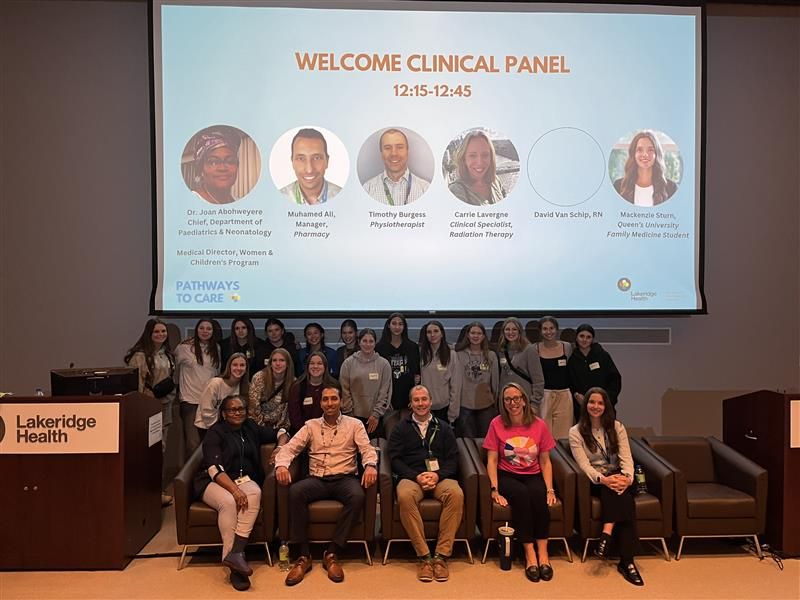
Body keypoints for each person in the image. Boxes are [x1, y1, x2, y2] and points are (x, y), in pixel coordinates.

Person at [275, 383, 378, 586]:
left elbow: (367, 449)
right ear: (320, 403)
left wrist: (371, 465)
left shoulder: (354, 424)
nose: (330, 403)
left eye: (334, 399)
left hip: (344, 478)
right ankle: (303, 556)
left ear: (341, 401)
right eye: (325, 399)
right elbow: (290, 448)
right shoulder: (310, 425)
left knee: (357, 495)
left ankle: (332, 553)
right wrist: (281, 466)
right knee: (295, 492)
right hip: (317, 479)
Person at [194, 394, 288, 591]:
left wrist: (280, 446)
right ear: (224, 413)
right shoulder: (215, 433)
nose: (237, 413)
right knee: (228, 502)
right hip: (213, 481)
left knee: (254, 493)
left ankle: (236, 553)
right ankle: (235, 568)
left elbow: (281, 431)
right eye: (232, 409)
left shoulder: (251, 427)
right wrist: (235, 490)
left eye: (241, 409)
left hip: (243, 479)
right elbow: (214, 469)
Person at [568, 387, 644, 586]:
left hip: (620, 476)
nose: (596, 406)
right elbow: (584, 465)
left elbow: (626, 458)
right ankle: (627, 562)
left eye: (600, 403)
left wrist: (627, 478)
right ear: (586, 406)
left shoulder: (617, 427)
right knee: (616, 493)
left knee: (623, 494)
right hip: (596, 481)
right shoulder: (575, 432)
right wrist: (604, 479)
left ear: (606, 406)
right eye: (592, 402)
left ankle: (607, 534)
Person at [387, 385, 463, 582]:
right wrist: (416, 476)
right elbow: (395, 460)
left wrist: (437, 475)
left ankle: (440, 556)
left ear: (430, 402)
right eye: (416, 400)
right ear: (410, 404)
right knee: (404, 495)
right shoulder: (400, 429)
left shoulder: (444, 427)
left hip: (440, 477)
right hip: (412, 478)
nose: (420, 404)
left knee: (456, 494)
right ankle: (424, 557)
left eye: (424, 399)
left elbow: (453, 459)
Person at [483, 383, 558, 583]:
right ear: (503, 403)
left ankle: (544, 554)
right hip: (507, 475)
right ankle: (529, 554)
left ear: (524, 400)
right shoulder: (496, 424)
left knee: (538, 497)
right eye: (508, 399)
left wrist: (550, 489)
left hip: (533, 474)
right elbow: (491, 460)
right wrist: (494, 489)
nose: (512, 403)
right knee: (522, 497)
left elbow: (545, 461)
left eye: (516, 398)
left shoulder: (539, 425)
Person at [125, 318, 176, 506]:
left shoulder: (168, 355)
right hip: (147, 408)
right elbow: (136, 385)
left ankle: (158, 491)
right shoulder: (140, 356)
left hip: (166, 407)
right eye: (157, 332)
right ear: (149, 334)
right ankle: (145, 492)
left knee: (161, 449)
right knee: (148, 451)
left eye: (163, 331)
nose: (161, 335)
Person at [175, 319, 221, 459]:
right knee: (192, 444)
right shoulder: (184, 348)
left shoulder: (216, 348)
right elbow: (172, 369)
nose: (205, 331)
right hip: (190, 402)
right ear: (196, 330)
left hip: (210, 402)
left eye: (209, 328)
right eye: (202, 328)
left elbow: (216, 374)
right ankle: (190, 479)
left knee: (209, 443)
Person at [339, 328, 392, 438]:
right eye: (365, 341)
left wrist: (376, 414)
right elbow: (345, 390)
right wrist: (350, 414)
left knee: (375, 451)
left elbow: (385, 391)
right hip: (353, 417)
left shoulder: (384, 364)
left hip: (375, 419)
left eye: (371, 341)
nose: (368, 344)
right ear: (359, 342)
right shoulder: (348, 363)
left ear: (375, 343)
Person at [567, 324, 622, 422]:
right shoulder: (572, 359)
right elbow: (570, 382)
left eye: (588, 337)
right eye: (582, 336)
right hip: (582, 406)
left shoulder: (602, 355)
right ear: (576, 338)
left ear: (592, 339)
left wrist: (606, 399)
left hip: (604, 405)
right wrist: (576, 395)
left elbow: (615, 379)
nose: (584, 340)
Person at [362, 128, 430, 205]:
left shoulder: (425, 188)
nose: (394, 153)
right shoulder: (368, 189)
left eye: (399, 147)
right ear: (381, 153)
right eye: (387, 148)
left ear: (407, 151)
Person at [454, 321, 498, 438]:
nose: (476, 336)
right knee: (468, 443)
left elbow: (495, 383)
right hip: (464, 406)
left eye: (479, 333)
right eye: (473, 333)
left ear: (483, 336)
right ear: (467, 335)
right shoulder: (458, 355)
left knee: (486, 441)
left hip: (486, 406)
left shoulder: (491, 355)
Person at [376, 312, 421, 424]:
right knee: (392, 434)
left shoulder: (412, 347)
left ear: (404, 327)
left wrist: (413, 398)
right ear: (388, 325)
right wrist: (385, 399)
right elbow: (378, 378)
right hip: (389, 401)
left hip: (408, 400)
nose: (397, 327)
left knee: (407, 433)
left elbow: (416, 375)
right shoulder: (380, 347)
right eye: (394, 323)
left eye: (400, 324)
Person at [613, 130, 677, 207]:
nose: (645, 154)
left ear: (657, 154)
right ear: (633, 154)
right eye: (639, 150)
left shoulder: (671, 188)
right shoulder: (618, 186)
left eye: (650, 150)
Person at [279, 128, 341, 205]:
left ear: (327, 161)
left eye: (316, 158)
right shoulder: (278, 198)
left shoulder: (344, 197)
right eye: (301, 158)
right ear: (292, 162)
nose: (309, 170)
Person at [535, 316, 573, 439]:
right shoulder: (534, 348)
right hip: (544, 396)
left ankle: (561, 458)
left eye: (551, 328)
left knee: (563, 435)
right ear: (540, 331)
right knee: (543, 434)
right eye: (545, 329)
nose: (548, 332)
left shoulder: (566, 347)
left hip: (564, 395)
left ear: (556, 329)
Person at [448, 130, 507, 206]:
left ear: (491, 157)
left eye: (485, 155)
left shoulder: (495, 180)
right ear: (464, 159)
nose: (480, 162)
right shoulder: (456, 191)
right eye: (472, 155)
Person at [496, 317, 545, 408]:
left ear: (520, 331)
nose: (511, 332)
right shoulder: (501, 350)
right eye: (507, 329)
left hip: (525, 400)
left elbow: (538, 379)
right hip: (506, 400)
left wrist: (534, 403)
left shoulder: (529, 350)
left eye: (514, 329)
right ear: (503, 332)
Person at [419, 320, 460, 426]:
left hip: (444, 409)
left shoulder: (452, 355)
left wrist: (452, 413)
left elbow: (455, 385)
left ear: (442, 334)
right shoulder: (421, 354)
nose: (432, 335)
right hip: (423, 407)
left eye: (436, 331)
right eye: (429, 332)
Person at [287, 351, 339, 433]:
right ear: (307, 366)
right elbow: (295, 417)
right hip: (302, 432)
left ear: (325, 366)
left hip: (329, 431)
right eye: (312, 363)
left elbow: (336, 413)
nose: (315, 366)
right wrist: (308, 434)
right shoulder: (297, 387)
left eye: (319, 363)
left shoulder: (334, 386)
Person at [196, 353, 249, 431]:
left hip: (230, 428)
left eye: (242, 365)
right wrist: (220, 430)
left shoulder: (246, 386)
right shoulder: (215, 383)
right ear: (229, 367)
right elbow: (206, 411)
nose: (238, 368)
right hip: (207, 426)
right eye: (235, 365)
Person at [248, 348, 296, 430]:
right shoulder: (259, 378)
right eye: (274, 360)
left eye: (282, 360)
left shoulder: (293, 382)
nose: (278, 364)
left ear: (288, 364)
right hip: (258, 425)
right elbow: (253, 406)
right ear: (270, 364)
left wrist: (281, 429)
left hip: (280, 426)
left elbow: (288, 410)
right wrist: (262, 427)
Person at [191, 129, 241, 205]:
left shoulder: (238, 203)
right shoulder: (190, 202)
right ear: (201, 169)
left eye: (230, 161)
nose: (222, 168)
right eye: (213, 162)